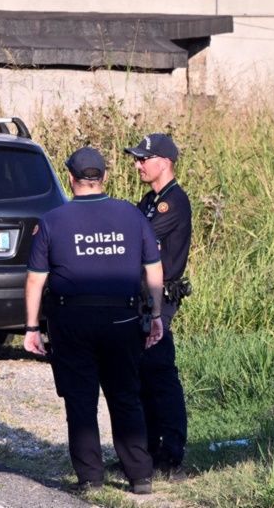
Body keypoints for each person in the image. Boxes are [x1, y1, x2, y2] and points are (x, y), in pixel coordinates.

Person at [23, 146, 165, 495]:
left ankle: (91, 478)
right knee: (126, 395)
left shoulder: (53, 220)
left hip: (72, 320)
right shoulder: (131, 214)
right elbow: (153, 269)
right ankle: (140, 475)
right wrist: (156, 315)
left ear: (70, 178)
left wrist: (31, 327)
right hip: (123, 318)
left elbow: (35, 279)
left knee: (80, 399)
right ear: (104, 177)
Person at [128, 132, 192, 475]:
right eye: (137, 159)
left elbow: (136, 240)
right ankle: (148, 451)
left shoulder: (173, 202)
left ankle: (170, 452)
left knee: (160, 373)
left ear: (164, 162)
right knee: (142, 376)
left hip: (160, 297)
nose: (138, 165)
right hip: (142, 297)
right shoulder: (150, 200)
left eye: (143, 159)